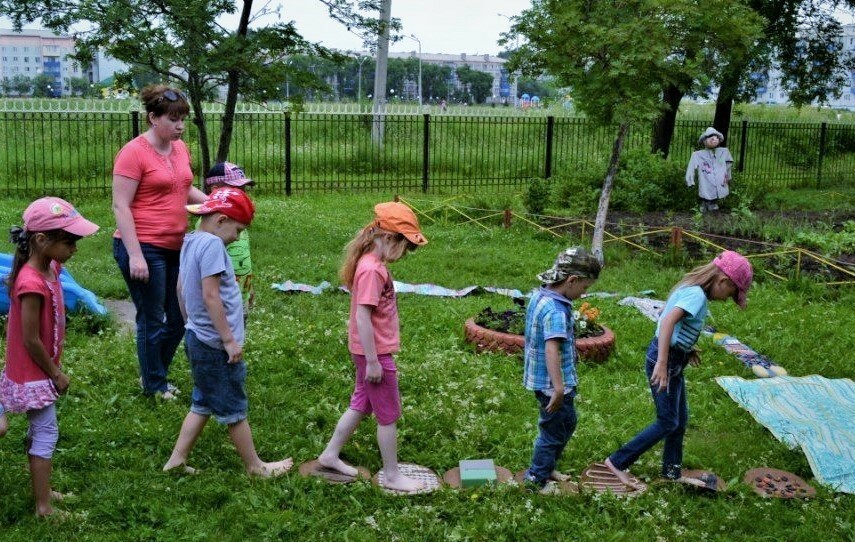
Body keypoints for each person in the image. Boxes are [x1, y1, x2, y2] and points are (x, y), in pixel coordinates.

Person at [163, 187, 293, 477]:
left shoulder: (191, 241)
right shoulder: (212, 246)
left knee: (203, 401)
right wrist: (229, 340)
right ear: (221, 220)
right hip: (215, 344)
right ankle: (255, 466)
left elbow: (181, 288)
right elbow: (211, 296)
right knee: (234, 406)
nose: (237, 237)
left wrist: (190, 323)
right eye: (238, 230)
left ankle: (176, 460)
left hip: (198, 336)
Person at [603, 250, 753, 490]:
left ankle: (672, 471)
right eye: (730, 294)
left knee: (679, 420)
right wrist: (663, 362)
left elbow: (667, 317)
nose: (727, 299)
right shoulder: (697, 296)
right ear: (723, 281)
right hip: (666, 361)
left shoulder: (691, 289)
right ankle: (617, 462)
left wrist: (686, 347)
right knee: (667, 421)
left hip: (674, 358)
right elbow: (668, 320)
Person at [316, 202, 428, 492]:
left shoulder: (372, 264)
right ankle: (392, 475)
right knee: (388, 415)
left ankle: (330, 454)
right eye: (405, 247)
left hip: (369, 351)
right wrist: (374, 361)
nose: (404, 255)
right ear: (390, 238)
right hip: (374, 353)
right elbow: (362, 316)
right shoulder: (371, 270)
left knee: (361, 404)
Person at [0, 197, 99, 517]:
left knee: (38, 431)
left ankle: (43, 489)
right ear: (41, 241)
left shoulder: (50, 266)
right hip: (34, 372)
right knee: (45, 432)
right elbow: (30, 339)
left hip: (33, 369)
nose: (74, 248)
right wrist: (55, 374)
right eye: (69, 241)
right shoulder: (31, 282)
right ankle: (44, 506)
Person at [112, 84, 207, 399]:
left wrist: (216, 205)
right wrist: (135, 255)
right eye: (173, 119)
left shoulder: (179, 148)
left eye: (183, 119)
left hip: (175, 246)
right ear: (153, 117)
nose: (180, 126)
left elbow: (183, 189)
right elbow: (120, 205)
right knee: (152, 318)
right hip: (144, 247)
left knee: (179, 317)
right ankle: (153, 385)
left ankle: (155, 375)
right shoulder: (133, 152)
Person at [522, 247, 601, 494]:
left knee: (566, 422)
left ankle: (547, 467)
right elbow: (551, 350)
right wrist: (558, 388)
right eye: (584, 288)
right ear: (572, 280)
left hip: (544, 380)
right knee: (553, 431)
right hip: (553, 384)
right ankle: (536, 479)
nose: (584, 293)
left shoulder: (541, 296)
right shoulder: (556, 310)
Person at [203, 162, 255, 317]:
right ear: (216, 190)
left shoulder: (235, 222)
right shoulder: (211, 226)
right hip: (222, 302)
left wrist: (249, 289)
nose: (243, 195)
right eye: (237, 190)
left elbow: (243, 259)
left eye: (244, 190)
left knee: (239, 337)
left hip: (240, 296)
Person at [685, 127, 733, 213]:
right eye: (711, 137)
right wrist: (690, 180)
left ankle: (712, 205)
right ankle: (704, 205)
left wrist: (727, 176)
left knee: (716, 192)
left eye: (716, 137)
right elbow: (691, 167)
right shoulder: (698, 155)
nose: (714, 139)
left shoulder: (723, 152)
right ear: (704, 140)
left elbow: (729, 163)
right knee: (706, 191)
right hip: (706, 178)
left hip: (719, 179)